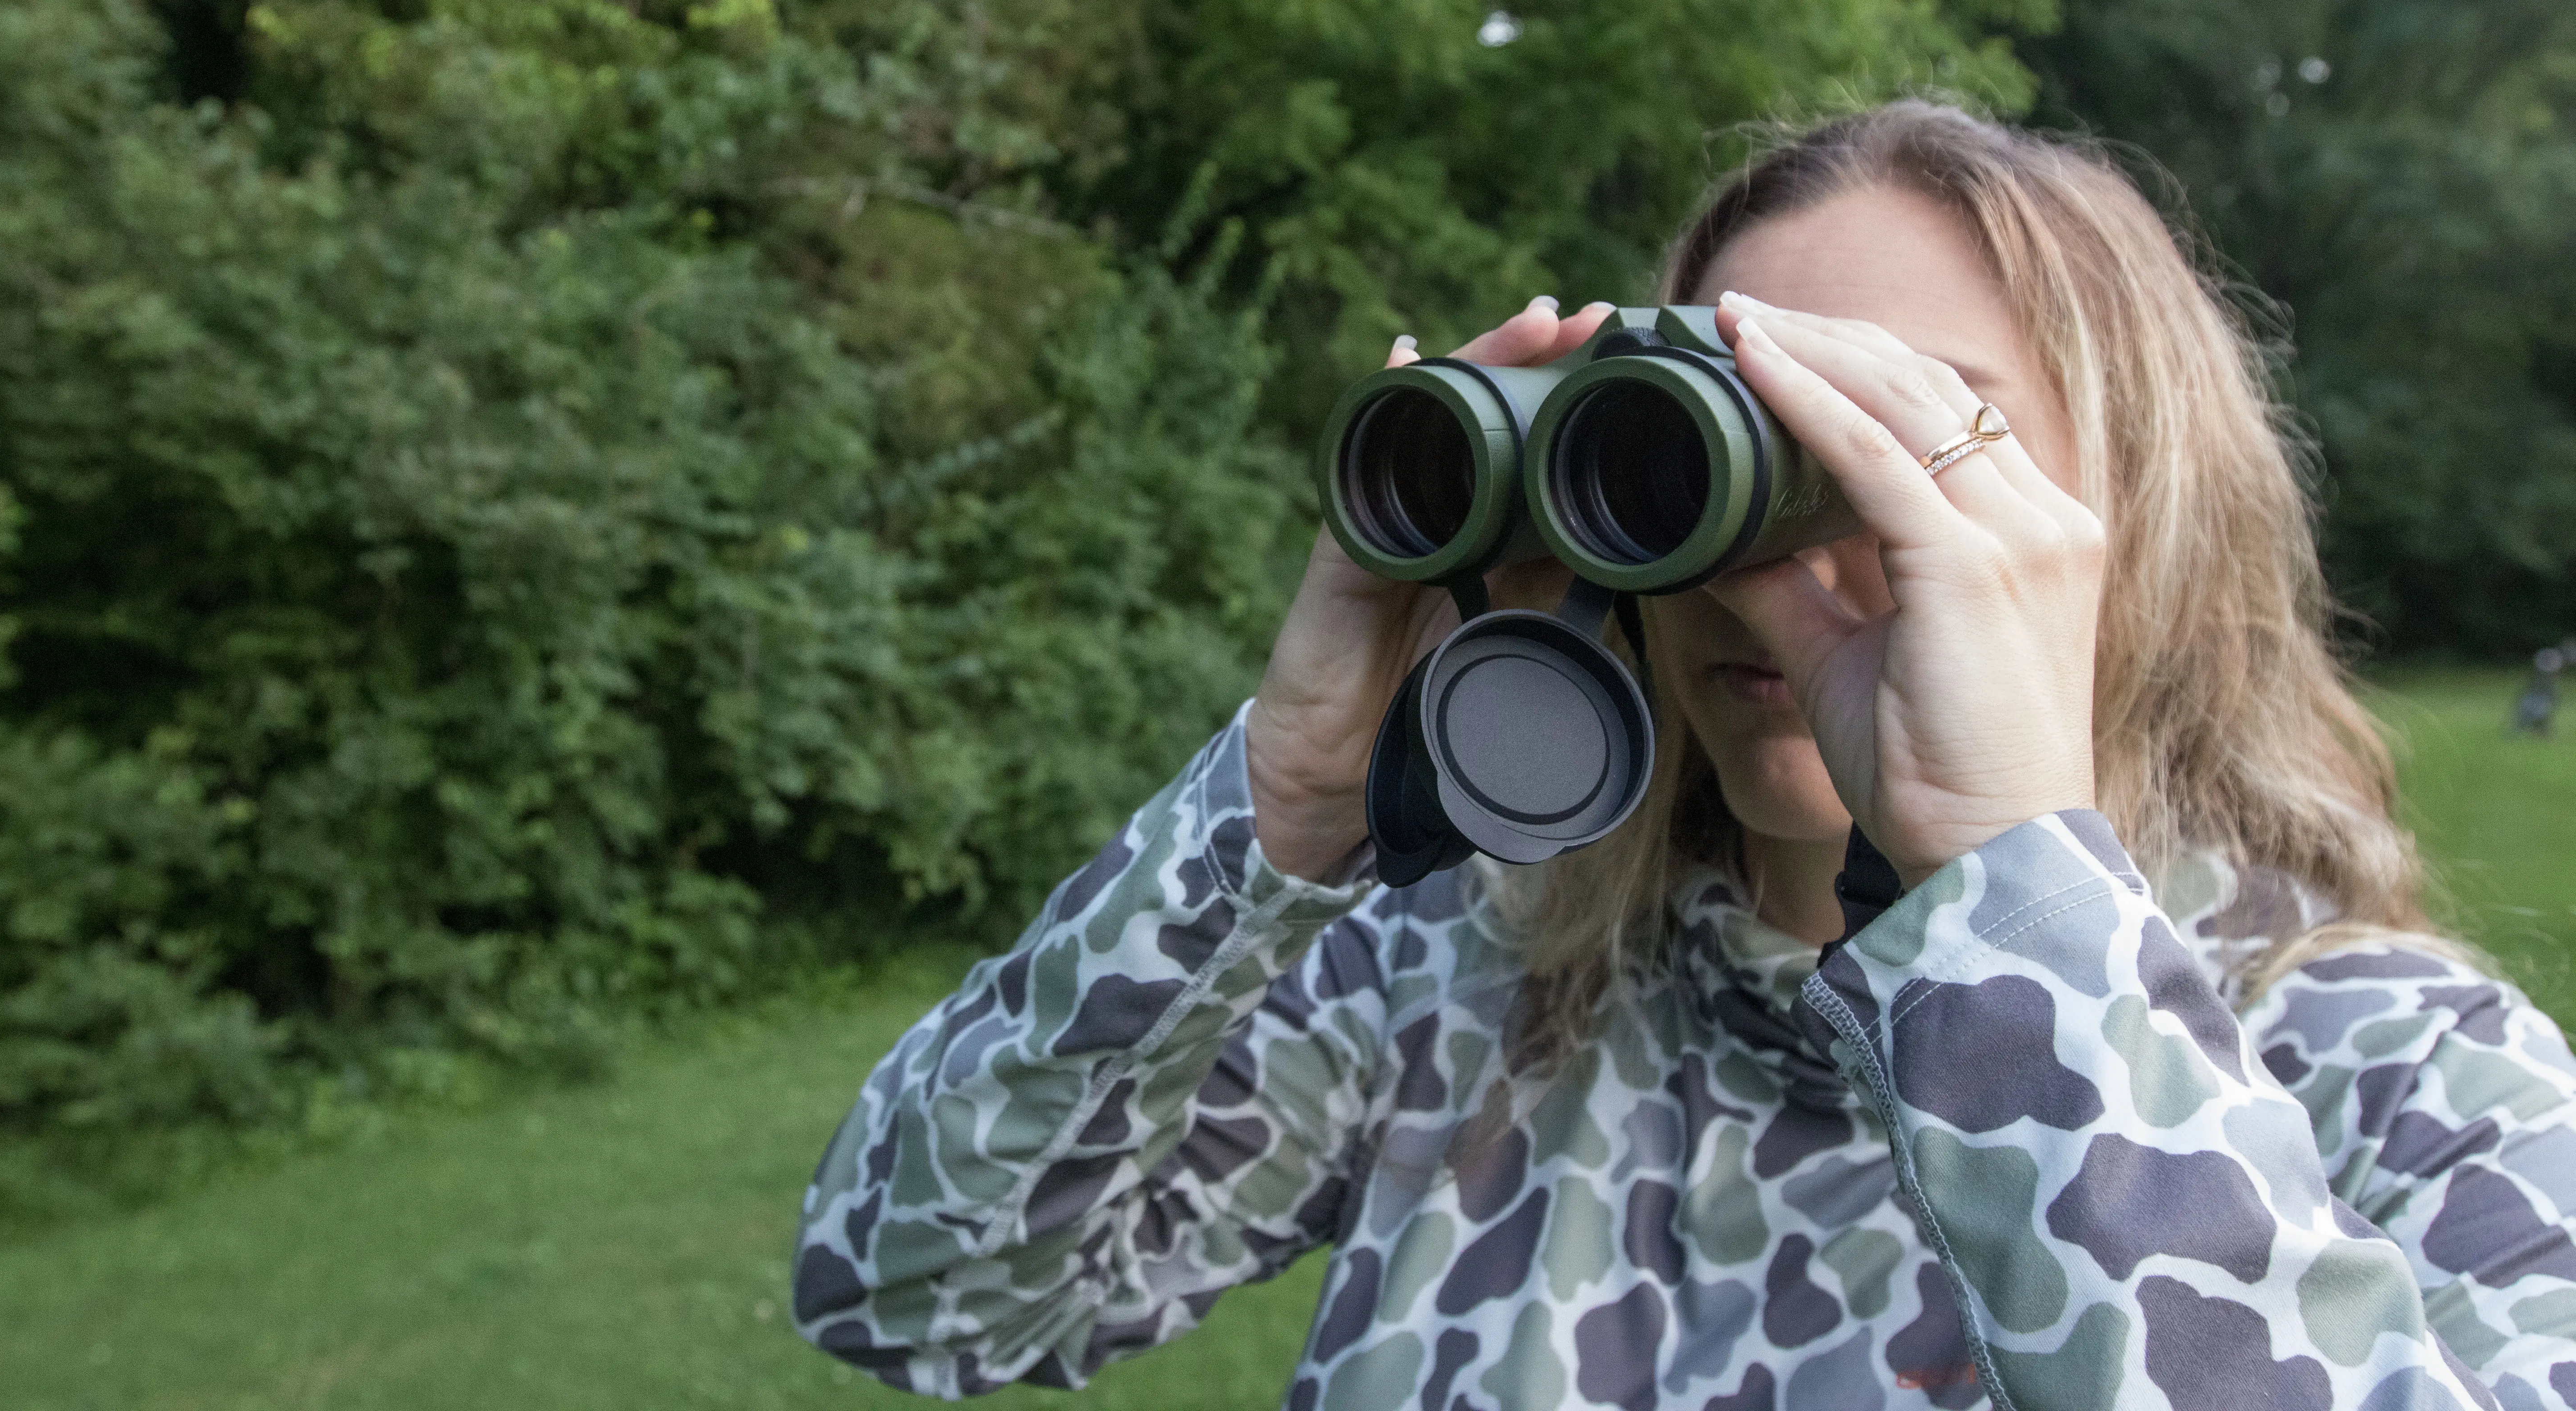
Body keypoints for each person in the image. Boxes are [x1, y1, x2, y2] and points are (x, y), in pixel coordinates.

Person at [793, 103, 2576, 1408]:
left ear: (2143, 518)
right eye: (1714, 448)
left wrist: (2008, 904)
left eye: (1895, 442)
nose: (1787, 566)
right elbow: (921, 1286)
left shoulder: (2397, 1080)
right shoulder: (1475, 981)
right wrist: (1275, 811)